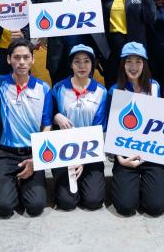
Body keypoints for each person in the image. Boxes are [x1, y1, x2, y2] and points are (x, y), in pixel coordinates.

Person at [0, 38, 52, 218]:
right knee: (3, 208)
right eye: (17, 57)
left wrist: (36, 159)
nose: (21, 62)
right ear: (8, 59)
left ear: (33, 59)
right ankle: (11, 183)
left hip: (32, 153)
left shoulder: (43, 88)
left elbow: (47, 125)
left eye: (26, 57)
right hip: (5, 153)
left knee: (36, 207)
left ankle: (22, 183)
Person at [105, 42, 164, 217]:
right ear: (122, 64)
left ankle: (148, 185)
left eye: (138, 61)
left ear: (144, 64)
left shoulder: (155, 87)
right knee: (125, 207)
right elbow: (111, 129)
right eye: (129, 61)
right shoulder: (114, 91)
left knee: (156, 207)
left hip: (152, 153)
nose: (133, 66)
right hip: (125, 153)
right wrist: (120, 158)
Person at [37, 0, 109, 85]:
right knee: (59, 92)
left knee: (84, 91)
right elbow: (39, 24)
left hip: (85, 54)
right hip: (59, 57)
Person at [51, 44, 107, 211]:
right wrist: (56, 116)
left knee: (93, 201)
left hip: (90, 151)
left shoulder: (101, 91)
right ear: (71, 65)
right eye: (77, 61)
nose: (82, 66)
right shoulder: (59, 88)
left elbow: (98, 129)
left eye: (86, 61)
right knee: (67, 202)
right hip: (64, 151)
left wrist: (82, 158)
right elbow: (48, 116)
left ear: (93, 64)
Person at [95, 0, 154, 88]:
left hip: (135, 47)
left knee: (136, 85)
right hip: (112, 48)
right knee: (113, 85)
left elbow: (151, 18)